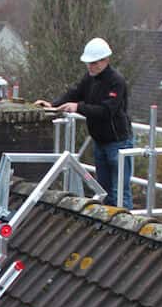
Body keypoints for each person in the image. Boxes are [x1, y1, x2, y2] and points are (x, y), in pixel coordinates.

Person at [34, 37, 134, 208]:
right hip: (100, 142)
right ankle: (107, 222)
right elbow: (74, 93)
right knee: (104, 190)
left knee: (120, 192)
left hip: (118, 143)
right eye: (89, 63)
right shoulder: (90, 78)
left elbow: (107, 111)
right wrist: (53, 105)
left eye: (94, 63)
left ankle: (124, 224)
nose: (90, 66)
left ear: (105, 60)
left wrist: (78, 107)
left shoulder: (116, 81)